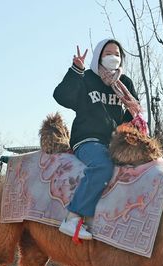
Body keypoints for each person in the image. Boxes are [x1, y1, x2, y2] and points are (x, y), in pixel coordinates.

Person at [53, 38, 142, 240]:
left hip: (114, 142)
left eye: (117, 54)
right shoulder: (86, 78)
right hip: (87, 139)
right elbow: (62, 96)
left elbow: (130, 118)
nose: (113, 57)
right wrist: (76, 70)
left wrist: (134, 117)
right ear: (99, 56)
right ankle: (74, 217)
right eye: (108, 53)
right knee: (102, 165)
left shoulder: (124, 83)